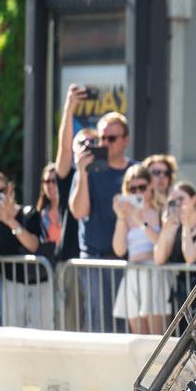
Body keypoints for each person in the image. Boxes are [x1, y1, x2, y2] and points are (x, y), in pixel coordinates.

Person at [69, 111, 135, 331]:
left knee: (128, 323)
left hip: (129, 257)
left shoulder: (135, 172)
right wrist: (82, 172)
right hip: (95, 259)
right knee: (100, 322)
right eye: (102, 139)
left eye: (112, 138)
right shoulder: (88, 170)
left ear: (126, 140)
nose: (105, 144)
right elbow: (79, 211)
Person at [0, 171, 50, 329]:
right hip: (12, 285)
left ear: (10, 190)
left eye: (1, 191)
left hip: (39, 283)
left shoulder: (29, 213)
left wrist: (9, 220)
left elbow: (33, 245)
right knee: (14, 336)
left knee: (41, 335)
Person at [111, 165, 169, 334]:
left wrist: (141, 222)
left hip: (154, 274)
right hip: (133, 275)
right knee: (139, 338)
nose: (138, 192)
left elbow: (162, 243)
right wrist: (121, 218)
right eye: (132, 188)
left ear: (150, 186)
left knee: (157, 339)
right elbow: (119, 250)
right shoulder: (126, 215)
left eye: (142, 187)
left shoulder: (160, 210)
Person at [155, 181, 196, 322]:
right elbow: (159, 259)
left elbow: (191, 257)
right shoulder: (173, 228)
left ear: (194, 199)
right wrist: (166, 227)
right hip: (180, 296)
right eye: (173, 201)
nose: (178, 204)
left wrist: (185, 224)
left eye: (181, 199)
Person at [55, 85, 96, 262]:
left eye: (92, 144)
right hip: (72, 259)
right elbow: (64, 149)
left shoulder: (107, 175)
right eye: (81, 144)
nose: (86, 148)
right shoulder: (69, 174)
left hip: (101, 259)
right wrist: (69, 107)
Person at [37, 162, 63, 249]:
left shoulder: (72, 210)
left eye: (54, 181)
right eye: (47, 181)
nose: (50, 185)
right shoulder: (41, 214)